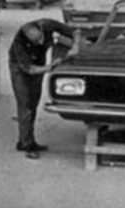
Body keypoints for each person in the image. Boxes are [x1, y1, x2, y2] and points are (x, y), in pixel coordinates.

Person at [9, 19, 78, 159]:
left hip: (39, 62)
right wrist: (50, 67)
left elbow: (75, 31)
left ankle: (29, 140)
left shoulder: (47, 24)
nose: (40, 42)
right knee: (25, 105)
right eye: (36, 41)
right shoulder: (19, 44)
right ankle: (26, 144)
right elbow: (30, 69)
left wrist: (75, 46)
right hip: (21, 69)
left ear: (41, 29)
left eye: (41, 38)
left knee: (33, 102)